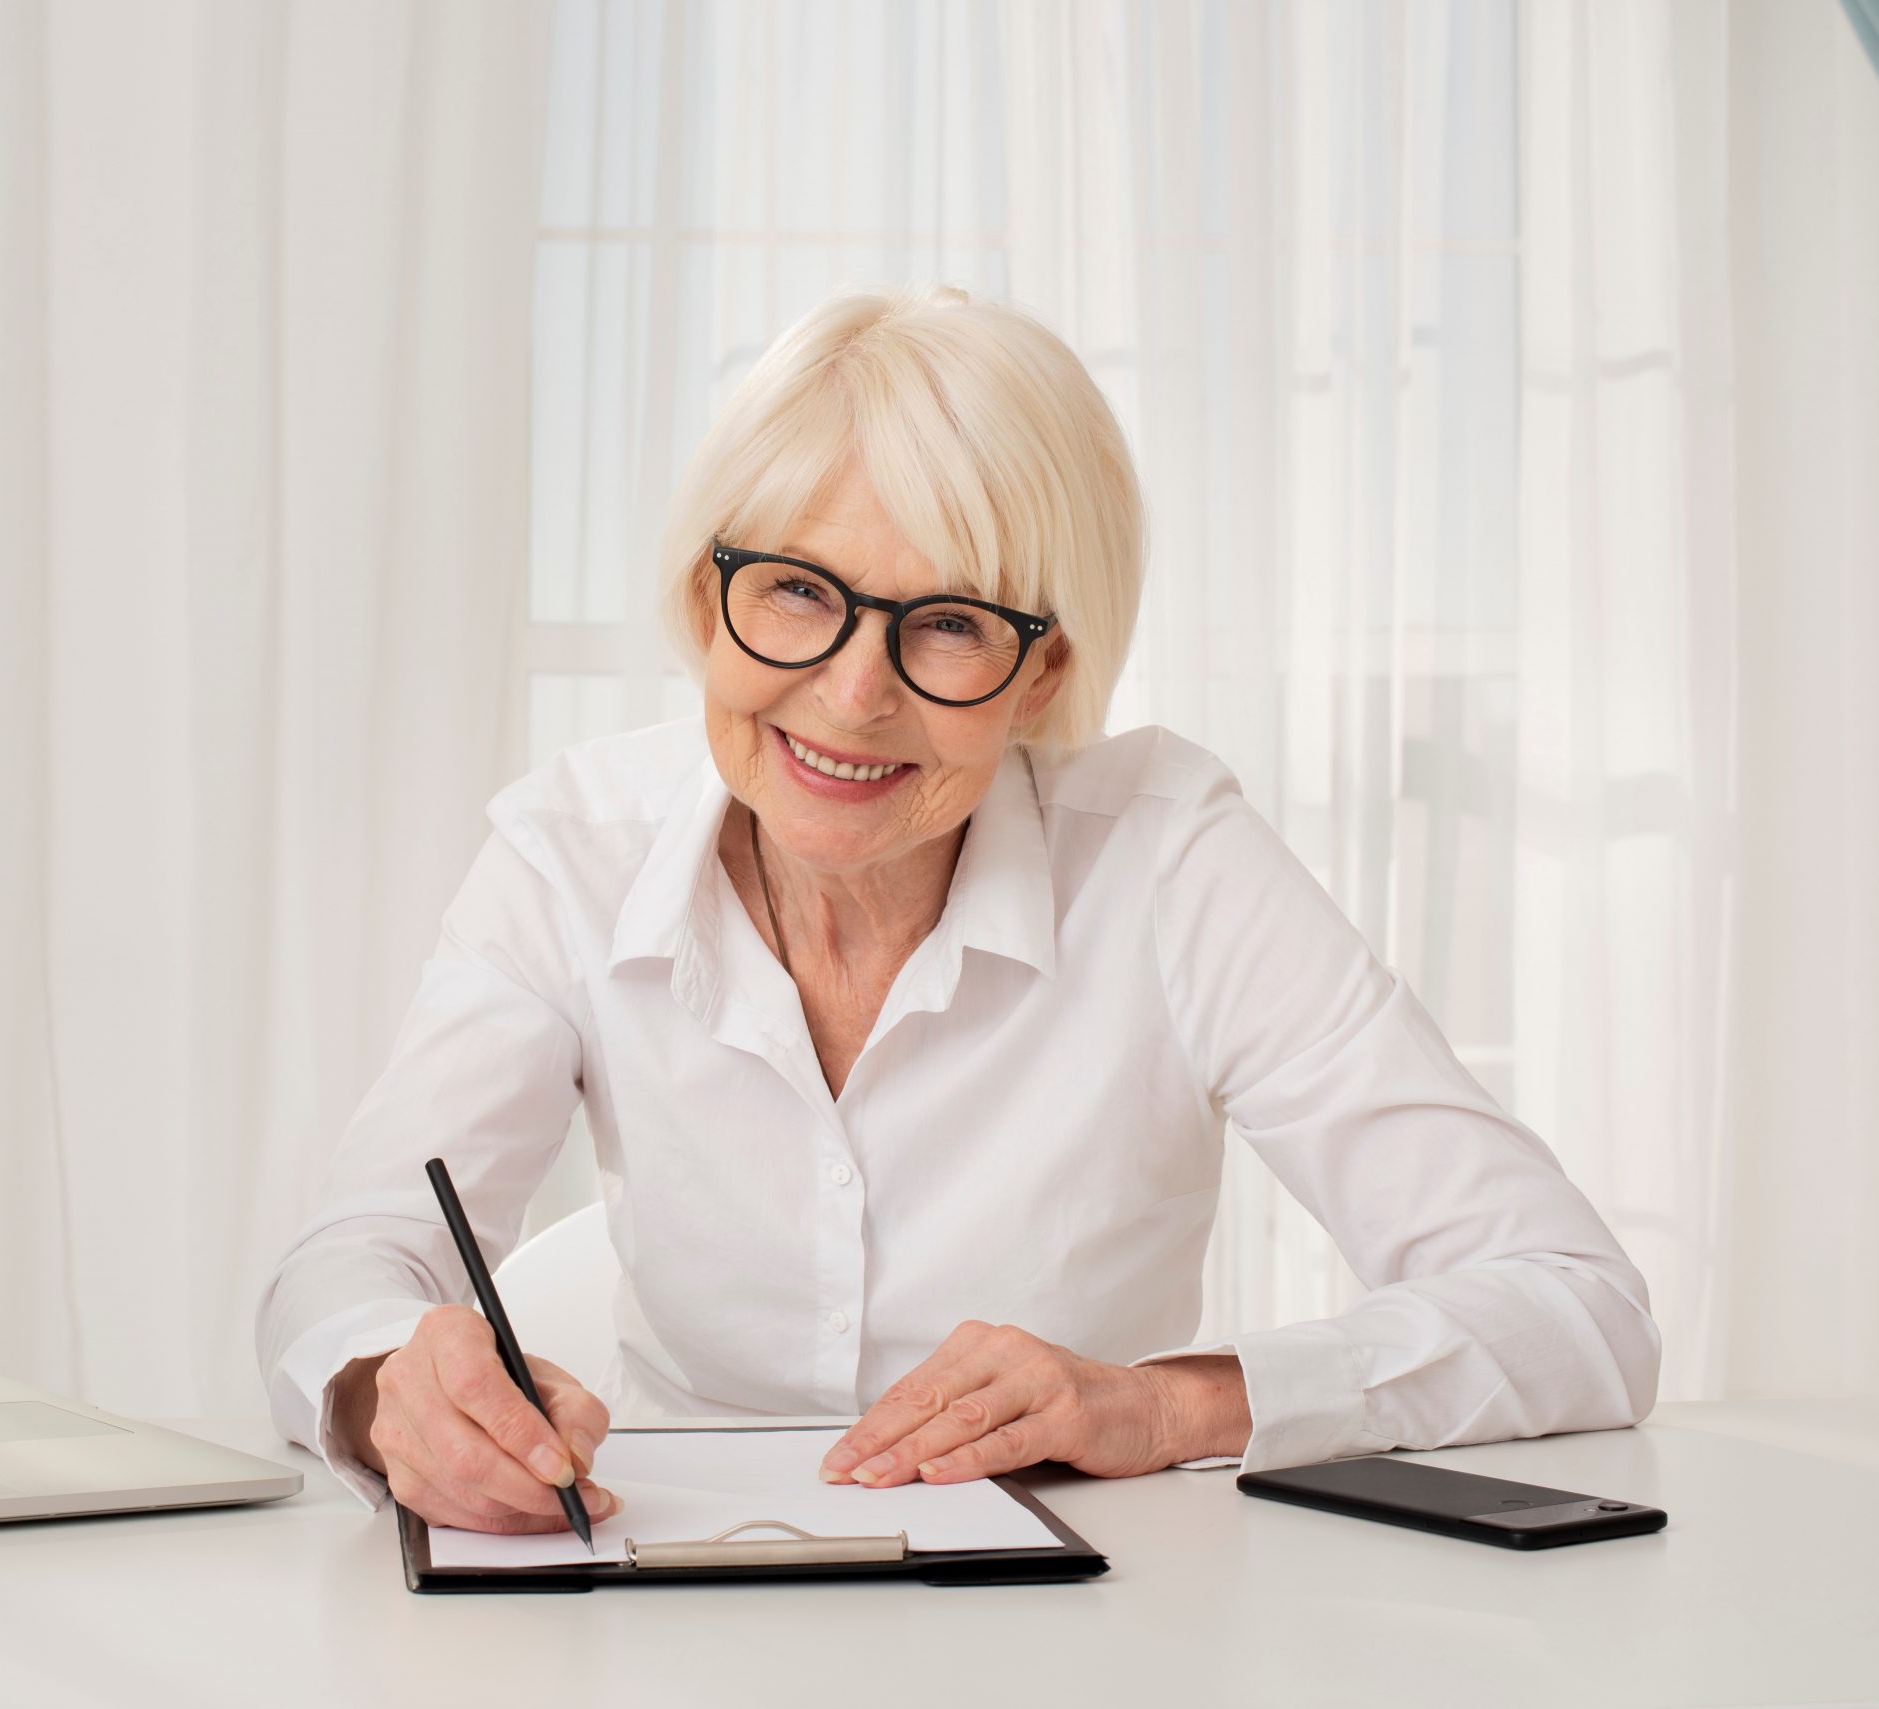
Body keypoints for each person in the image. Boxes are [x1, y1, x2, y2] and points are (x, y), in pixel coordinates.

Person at [255, 285, 1659, 1534]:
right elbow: (351, 1259)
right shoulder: (571, 848)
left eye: (948, 623)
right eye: (800, 592)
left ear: (1041, 677)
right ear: (708, 597)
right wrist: (391, 1390)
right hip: (673, 1613)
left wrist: (1164, 1407)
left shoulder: (1174, 863)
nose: (854, 695)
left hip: (1082, 1629)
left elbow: (1579, 1305)